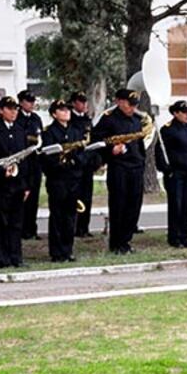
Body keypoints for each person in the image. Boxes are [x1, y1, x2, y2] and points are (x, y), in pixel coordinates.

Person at [92, 88, 147, 254]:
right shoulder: (109, 119)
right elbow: (96, 141)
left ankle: (126, 241)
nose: (132, 108)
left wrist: (142, 160)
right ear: (119, 102)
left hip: (136, 167)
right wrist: (111, 151)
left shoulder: (136, 120)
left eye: (134, 105)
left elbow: (140, 143)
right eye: (129, 104)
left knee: (134, 206)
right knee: (119, 206)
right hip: (119, 168)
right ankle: (116, 244)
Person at [0, 96, 31, 269]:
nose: (14, 112)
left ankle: (17, 258)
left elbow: (25, 160)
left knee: (17, 223)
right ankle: (4, 259)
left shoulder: (19, 130)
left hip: (17, 185)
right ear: (1, 111)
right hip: (1, 185)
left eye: (15, 109)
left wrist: (26, 185)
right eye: (10, 109)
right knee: (1, 223)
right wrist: (2, 170)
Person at [40, 99, 89, 262]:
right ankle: (56, 252)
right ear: (54, 114)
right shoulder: (49, 133)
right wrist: (61, 162)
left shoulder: (75, 131)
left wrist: (75, 161)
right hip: (57, 180)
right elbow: (46, 157)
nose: (66, 112)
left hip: (73, 179)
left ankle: (68, 250)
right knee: (57, 216)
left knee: (70, 216)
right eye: (62, 110)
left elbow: (83, 153)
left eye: (68, 109)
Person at [157, 100, 187, 249]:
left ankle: (184, 236)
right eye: (184, 112)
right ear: (176, 113)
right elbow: (160, 152)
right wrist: (166, 170)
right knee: (176, 205)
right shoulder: (168, 130)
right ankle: (174, 237)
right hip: (175, 173)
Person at [16, 89, 44, 240]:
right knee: (22, 195)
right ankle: (21, 229)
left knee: (34, 195)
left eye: (33, 101)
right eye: (28, 101)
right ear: (21, 103)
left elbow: (40, 138)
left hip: (35, 162)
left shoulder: (36, 119)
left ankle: (31, 229)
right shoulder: (17, 118)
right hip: (22, 162)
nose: (31, 104)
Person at [69, 91, 98, 238]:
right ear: (74, 103)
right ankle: (74, 227)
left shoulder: (87, 120)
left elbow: (92, 140)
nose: (84, 104)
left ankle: (84, 227)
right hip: (75, 164)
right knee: (75, 197)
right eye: (80, 101)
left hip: (87, 165)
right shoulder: (70, 119)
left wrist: (93, 161)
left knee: (87, 196)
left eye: (85, 101)